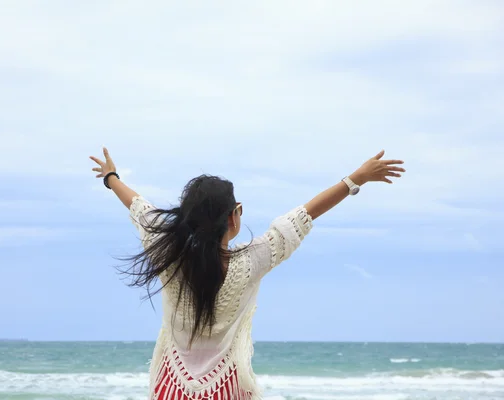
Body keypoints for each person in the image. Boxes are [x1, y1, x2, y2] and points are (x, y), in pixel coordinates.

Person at [90, 148, 405, 400]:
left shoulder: (167, 251)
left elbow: (139, 207)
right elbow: (304, 214)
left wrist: (110, 177)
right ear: (233, 217)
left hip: (171, 388)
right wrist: (356, 178)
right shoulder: (252, 260)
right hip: (227, 388)